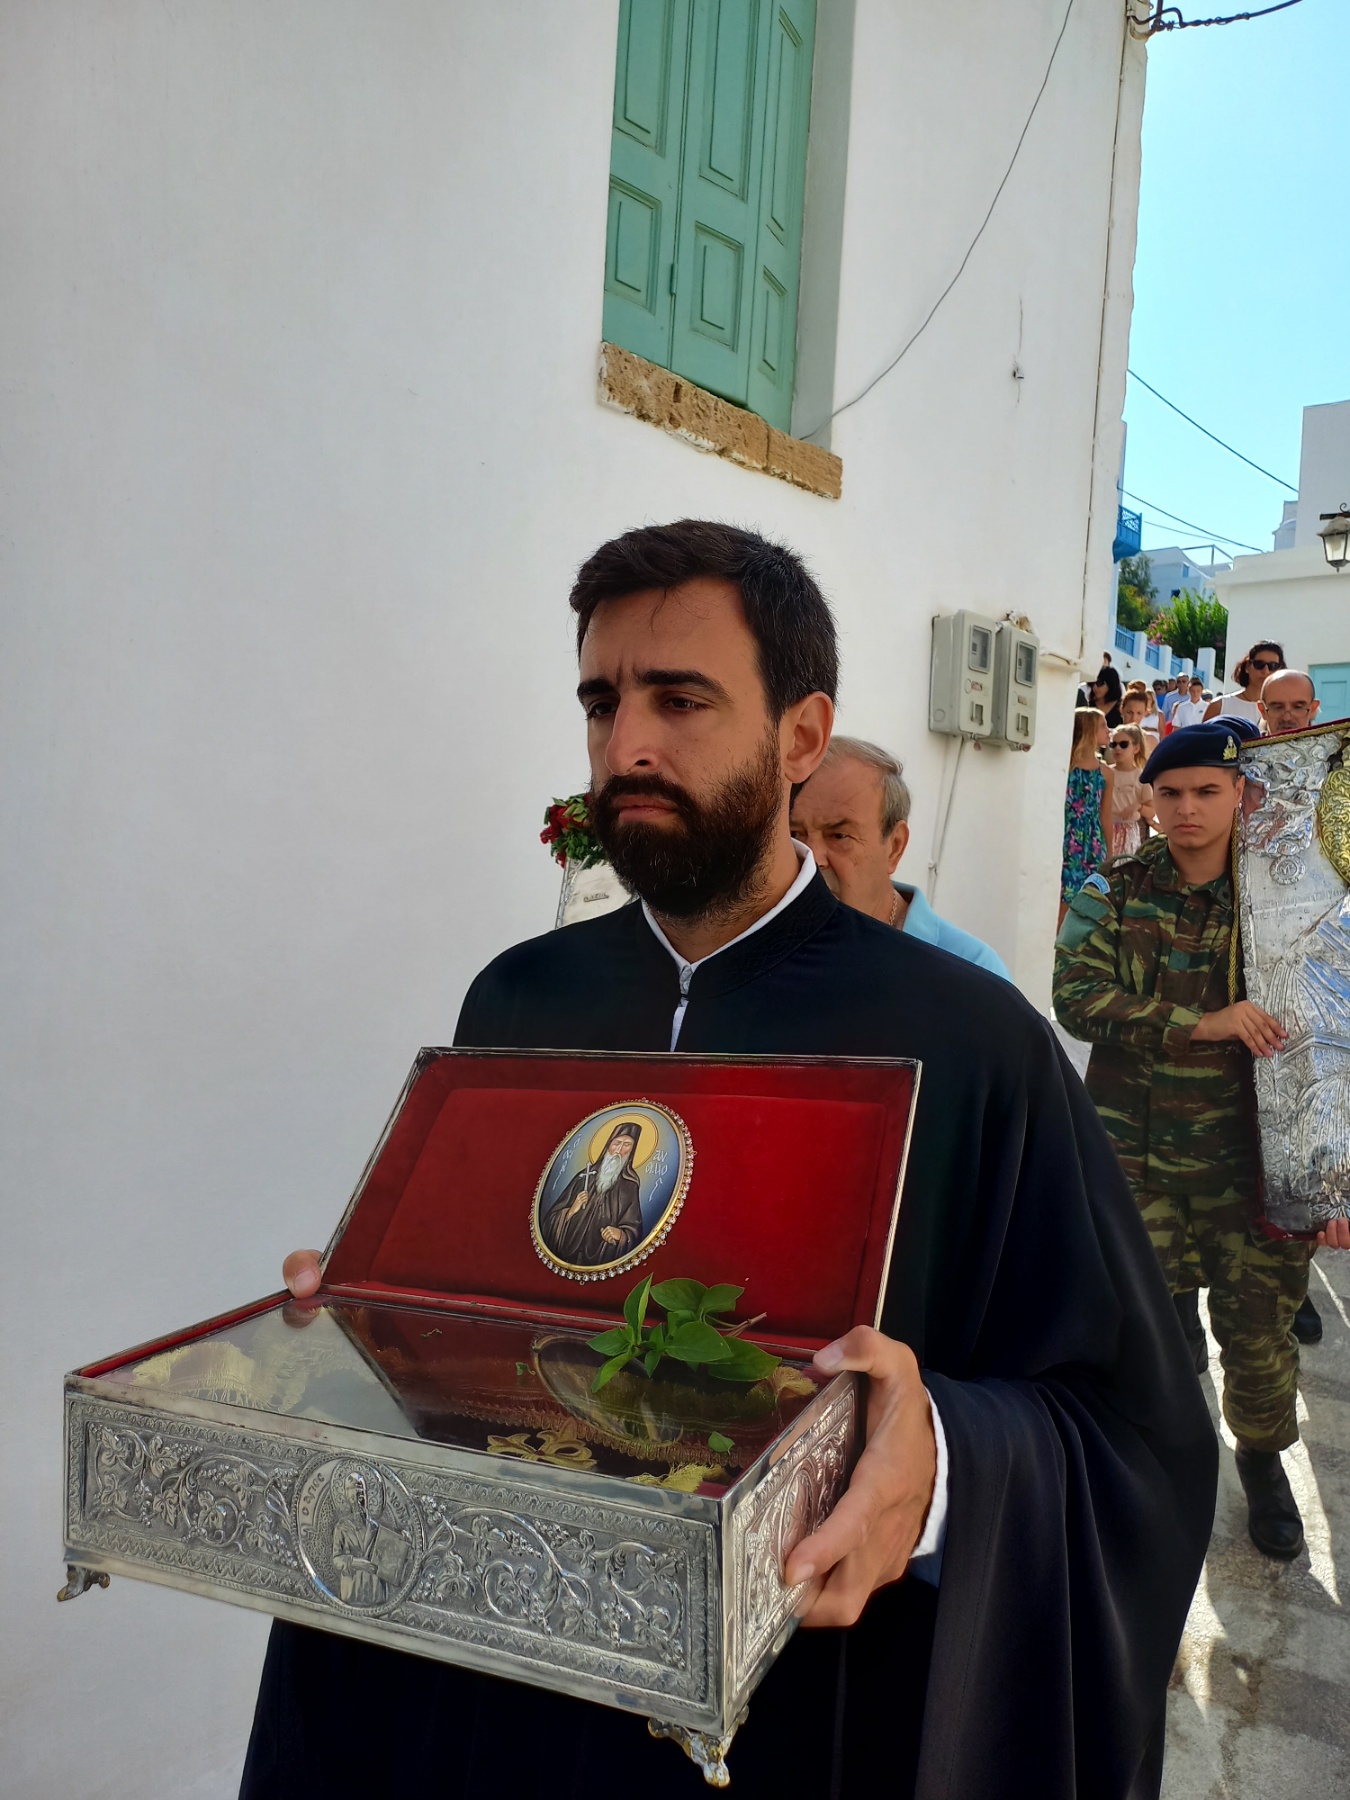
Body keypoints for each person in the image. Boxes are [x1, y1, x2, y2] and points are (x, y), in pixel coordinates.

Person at [257, 520, 1215, 1800]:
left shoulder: (971, 1043)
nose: (626, 746)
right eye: (602, 703)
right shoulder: (518, 1005)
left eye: (680, 700)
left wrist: (941, 1461)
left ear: (802, 736)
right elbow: (465, 1343)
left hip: (808, 1723)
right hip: (500, 1707)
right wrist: (371, 1324)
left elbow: (1135, 1439)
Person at [1054, 718, 1319, 1563]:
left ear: (1241, 794)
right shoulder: (1116, 887)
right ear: (1151, 799)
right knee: (1137, 1333)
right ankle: (1146, 1469)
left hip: (1254, 1168)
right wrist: (1203, 1023)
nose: (1187, 809)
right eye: (1170, 793)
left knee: (1259, 1337)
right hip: (1138, 1162)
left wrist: (1333, 1177)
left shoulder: (1289, 898)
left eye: (1207, 791)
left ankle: (1264, 1465)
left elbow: (1330, 1032)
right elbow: (1075, 996)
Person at [789, 735, 1010, 978]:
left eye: (839, 836)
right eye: (794, 834)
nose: (812, 857)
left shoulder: (971, 970)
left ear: (895, 847)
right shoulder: (768, 950)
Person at [1257, 666, 1327, 1344]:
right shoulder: (1243, 778)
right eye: (1274, 707)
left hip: (1318, 975)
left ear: (1314, 708)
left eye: (1296, 706)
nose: (1286, 716)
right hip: (1249, 971)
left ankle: (1297, 1282)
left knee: (1305, 1133)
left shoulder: (1337, 777)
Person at [540, 1122, 643, 1263]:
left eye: (627, 1145)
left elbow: (634, 1230)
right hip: (568, 1250)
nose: (619, 1150)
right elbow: (549, 1221)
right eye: (616, 1143)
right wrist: (570, 1211)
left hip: (602, 1256)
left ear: (632, 1150)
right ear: (608, 1145)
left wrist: (620, 1235)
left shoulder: (629, 1186)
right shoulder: (583, 1177)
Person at [1060, 707, 1113, 926]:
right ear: (1089, 731)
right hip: (1066, 839)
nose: (1109, 731)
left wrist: (1110, 853)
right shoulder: (1065, 766)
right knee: (1063, 895)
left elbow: (1106, 816)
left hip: (1092, 843)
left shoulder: (1106, 773)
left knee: (1091, 897)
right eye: (1103, 726)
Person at [1203, 641, 1285, 724]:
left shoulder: (1284, 710)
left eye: (1273, 666)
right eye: (1259, 664)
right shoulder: (1220, 706)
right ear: (1247, 667)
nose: (1266, 671)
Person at [1108, 723, 1153, 856]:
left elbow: (1151, 811)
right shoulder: (1105, 773)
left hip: (1130, 831)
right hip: (1107, 828)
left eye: (1123, 744)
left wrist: (1138, 806)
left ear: (1136, 748)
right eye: (1113, 744)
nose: (1117, 748)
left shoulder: (1141, 776)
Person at [1259, 667, 1321, 736]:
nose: (1287, 718)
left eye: (1297, 707)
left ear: (1313, 709)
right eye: (1278, 707)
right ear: (1262, 710)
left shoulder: (1327, 742)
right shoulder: (1250, 742)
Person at [1119, 688, 1159, 756]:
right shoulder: (1110, 738)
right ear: (1121, 710)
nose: (1133, 718)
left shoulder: (1151, 741)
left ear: (1145, 713)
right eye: (1129, 712)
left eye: (1139, 713)